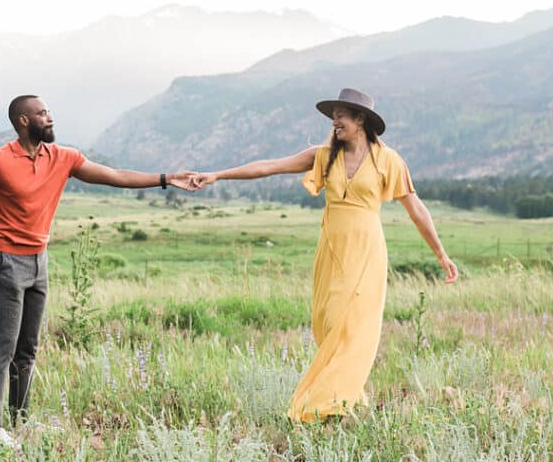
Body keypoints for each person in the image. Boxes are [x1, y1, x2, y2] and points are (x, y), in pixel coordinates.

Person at [192, 88, 458, 422]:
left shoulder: (387, 160)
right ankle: (348, 399)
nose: (335, 122)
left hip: (366, 252)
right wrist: (218, 174)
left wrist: (441, 255)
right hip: (331, 250)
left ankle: (324, 405)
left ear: (360, 120)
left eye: (341, 116)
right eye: (333, 117)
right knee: (328, 325)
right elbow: (269, 167)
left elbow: (416, 209)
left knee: (354, 326)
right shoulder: (322, 155)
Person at [0, 95, 196, 446]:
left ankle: (20, 422)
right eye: (42, 113)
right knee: (3, 346)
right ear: (23, 121)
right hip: (4, 260)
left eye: (48, 112)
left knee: (29, 348)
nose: (49, 117)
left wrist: (166, 178)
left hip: (39, 259)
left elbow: (114, 176)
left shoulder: (62, 157)